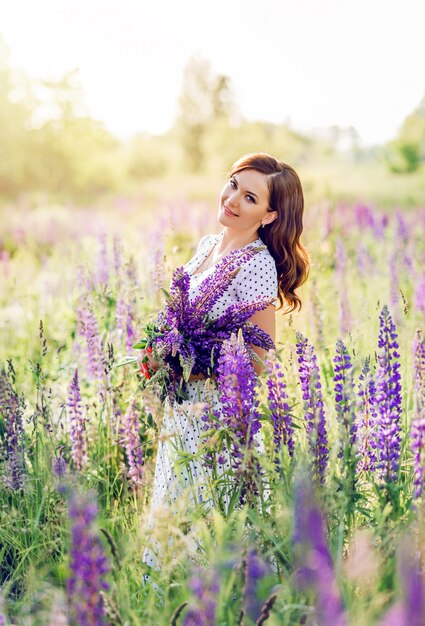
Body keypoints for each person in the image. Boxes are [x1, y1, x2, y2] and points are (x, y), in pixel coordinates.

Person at [140, 152, 309, 576]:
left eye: (250, 197)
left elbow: (258, 357)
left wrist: (195, 366)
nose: (233, 199)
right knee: (175, 517)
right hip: (184, 410)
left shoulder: (258, 265)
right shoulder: (207, 246)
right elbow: (182, 317)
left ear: (269, 216)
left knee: (214, 521)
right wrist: (160, 353)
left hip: (220, 414)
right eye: (234, 184)